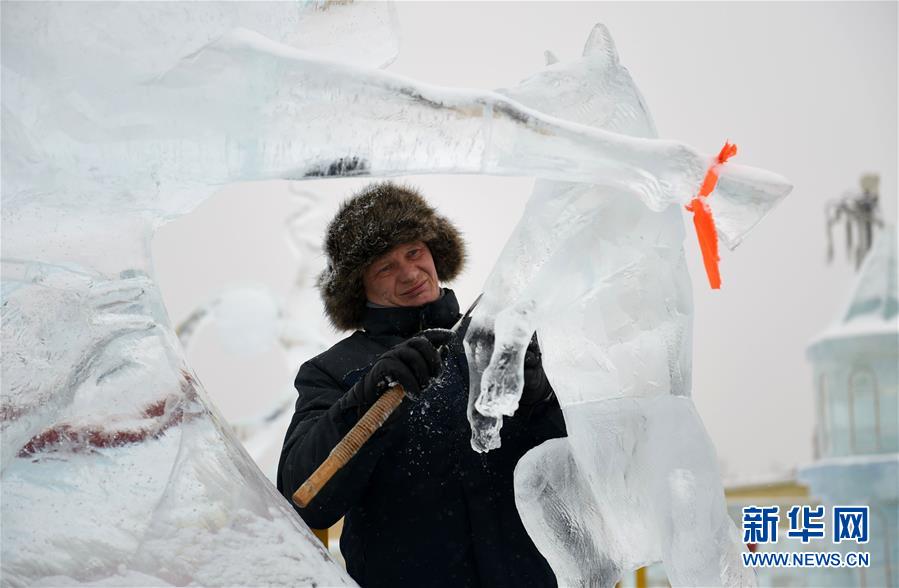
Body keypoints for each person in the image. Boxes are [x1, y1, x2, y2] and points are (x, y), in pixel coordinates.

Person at [277, 182, 567, 587]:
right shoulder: (332, 371)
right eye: (385, 266)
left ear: (434, 252)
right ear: (360, 288)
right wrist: (365, 397)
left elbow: (575, 482)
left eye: (414, 252)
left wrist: (543, 401)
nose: (410, 273)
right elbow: (303, 498)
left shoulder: (496, 342)